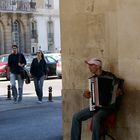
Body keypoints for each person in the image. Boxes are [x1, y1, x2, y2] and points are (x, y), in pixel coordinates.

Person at [71, 58, 119, 140]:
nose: (89, 67)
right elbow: (87, 93)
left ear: (97, 66)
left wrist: (118, 92)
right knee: (76, 116)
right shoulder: (92, 79)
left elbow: (118, 89)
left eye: (91, 65)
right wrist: (86, 94)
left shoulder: (111, 76)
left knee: (96, 117)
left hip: (108, 107)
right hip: (95, 107)